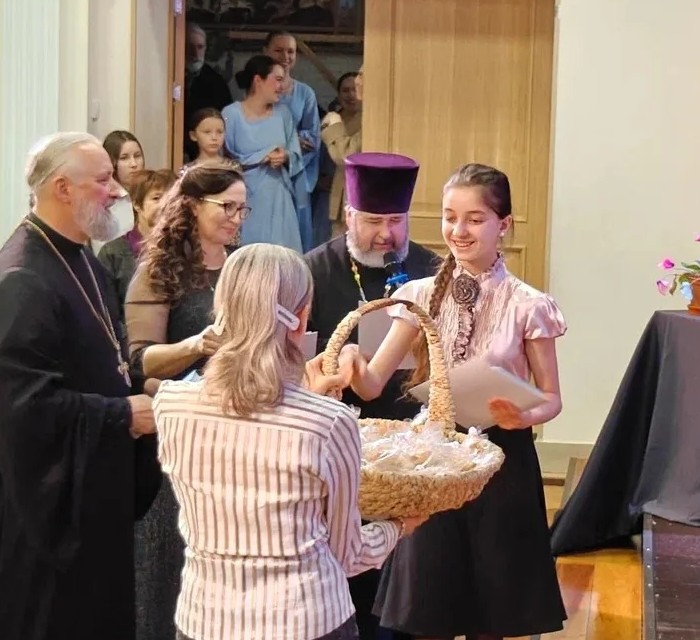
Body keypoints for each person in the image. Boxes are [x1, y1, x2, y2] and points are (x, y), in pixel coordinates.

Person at [153, 243, 426, 640]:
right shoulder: (328, 423)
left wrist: (308, 398)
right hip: (304, 621)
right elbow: (348, 555)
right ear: (300, 320)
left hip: (205, 622)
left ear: (221, 310)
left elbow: (248, 434)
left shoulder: (170, 405)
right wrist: (398, 527)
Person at [349, 163, 568, 640]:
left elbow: (552, 399)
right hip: (435, 464)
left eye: (474, 219)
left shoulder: (528, 304)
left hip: (502, 462)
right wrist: (348, 363)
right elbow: (371, 384)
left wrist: (522, 416)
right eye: (450, 217)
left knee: (492, 615)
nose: (458, 230)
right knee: (429, 613)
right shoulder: (418, 294)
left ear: (503, 224)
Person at [0, 132, 159, 640]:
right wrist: (123, 414)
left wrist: (146, 388)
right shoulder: (23, 276)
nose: (117, 191)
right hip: (50, 516)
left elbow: (106, 359)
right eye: (104, 180)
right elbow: (23, 405)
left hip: (98, 489)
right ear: (63, 188)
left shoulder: (84, 260)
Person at [304, 151, 438, 640]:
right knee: (350, 568)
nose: (387, 234)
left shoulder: (430, 270)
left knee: (413, 576)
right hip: (340, 442)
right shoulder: (313, 271)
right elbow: (298, 358)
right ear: (349, 216)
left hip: (414, 441)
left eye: (396, 221)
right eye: (374, 221)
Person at [125, 162, 247, 640]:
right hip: (178, 442)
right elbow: (140, 362)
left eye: (242, 208)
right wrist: (195, 345)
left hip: (234, 441)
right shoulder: (159, 271)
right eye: (226, 207)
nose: (236, 218)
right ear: (192, 206)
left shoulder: (240, 266)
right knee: (168, 573)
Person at [222, 55, 306, 252]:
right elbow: (223, 160)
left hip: (279, 196)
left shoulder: (284, 114)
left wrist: (285, 156)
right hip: (245, 197)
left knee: (283, 257)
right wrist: (261, 157)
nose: (282, 86)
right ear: (258, 80)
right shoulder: (230, 114)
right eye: (277, 79)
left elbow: (296, 154)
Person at [263, 30, 320, 250]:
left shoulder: (305, 94)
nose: (285, 57)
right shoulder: (255, 90)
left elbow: (312, 139)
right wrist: (289, 139)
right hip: (263, 172)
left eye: (291, 51)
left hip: (296, 174)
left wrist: (288, 149)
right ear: (265, 51)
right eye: (278, 50)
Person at [97, 168, 176, 320]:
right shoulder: (112, 253)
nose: (166, 205)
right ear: (137, 204)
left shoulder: (184, 249)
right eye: (156, 198)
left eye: (172, 198)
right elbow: (108, 315)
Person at [321, 71, 361, 237]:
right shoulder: (334, 118)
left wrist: (335, 126)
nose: (351, 95)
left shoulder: (371, 119)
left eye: (355, 89)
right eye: (345, 90)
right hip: (335, 194)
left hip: (358, 194)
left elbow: (345, 155)